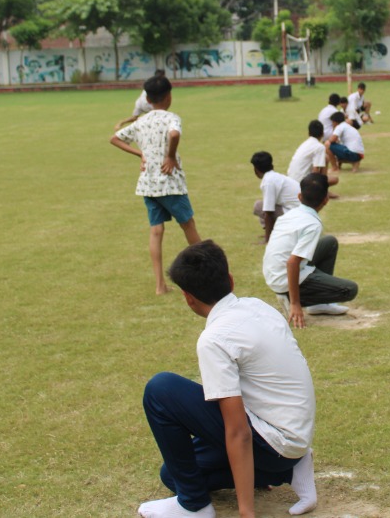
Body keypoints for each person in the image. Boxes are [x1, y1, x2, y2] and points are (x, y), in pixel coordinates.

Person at [137, 240, 318, 518]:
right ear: (230, 280)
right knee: (172, 475)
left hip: (272, 441)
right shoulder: (258, 306)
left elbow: (238, 432)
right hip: (292, 437)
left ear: (188, 298)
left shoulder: (215, 339)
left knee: (160, 389)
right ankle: (289, 470)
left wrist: (246, 511)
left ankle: (194, 506)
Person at [111, 74, 202, 296]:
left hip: (148, 185)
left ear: (148, 99)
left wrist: (140, 154)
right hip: (169, 184)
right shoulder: (171, 118)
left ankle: (160, 285)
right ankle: (205, 272)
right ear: (169, 96)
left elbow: (115, 138)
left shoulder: (142, 121)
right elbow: (174, 134)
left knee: (156, 231)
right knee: (188, 225)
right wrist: (170, 156)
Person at [262, 173, 358, 327]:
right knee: (349, 289)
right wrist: (295, 303)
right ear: (326, 199)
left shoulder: (290, 214)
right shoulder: (312, 224)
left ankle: (319, 305)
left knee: (329, 242)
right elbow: (292, 263)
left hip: (272, 272)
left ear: (299, 196)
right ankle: (290, 297)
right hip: (284, 278)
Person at [250, 151, 301, 243]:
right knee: (264, 205)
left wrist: (267, 240)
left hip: (296, 218)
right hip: (300, 214)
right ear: (272, 166)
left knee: (259, 206)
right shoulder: (275, 177)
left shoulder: (268, 181)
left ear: (256, 170)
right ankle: (273, 231)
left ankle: (272, 234)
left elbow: (268, 212)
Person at [287, 120, 340, 188]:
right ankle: (321, 190)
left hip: (291, 180)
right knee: (334, 180)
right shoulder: (319, 147)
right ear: (323, 134)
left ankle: (322, 189)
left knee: (325, 159)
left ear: (308, 133)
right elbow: (315, 171)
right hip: (302, 182)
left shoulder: (305, 144)